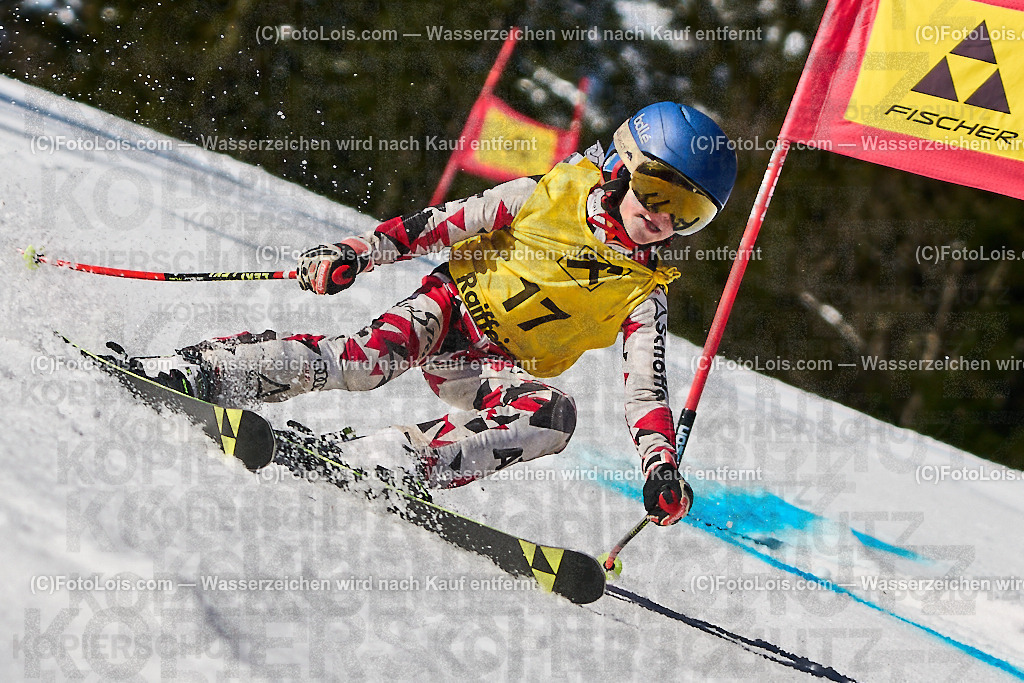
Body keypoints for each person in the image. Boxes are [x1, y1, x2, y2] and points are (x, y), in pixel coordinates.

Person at [144, 102, 737, 527]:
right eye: (659, 192)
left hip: (489, 366)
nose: (664, 219)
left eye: (689, 213)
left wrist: (660, 468)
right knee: (365, 362)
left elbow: (646, 393)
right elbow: (443, 224)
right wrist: (358, 252)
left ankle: (396, 459)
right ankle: (211, 370)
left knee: (554, 415)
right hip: (452, 305)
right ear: (622, 166)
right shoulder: (548, 194)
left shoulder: (644, 293)